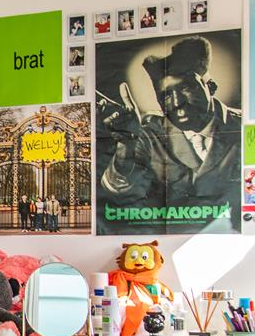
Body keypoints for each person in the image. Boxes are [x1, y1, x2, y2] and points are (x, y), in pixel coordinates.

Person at [97, 35, 244, 232]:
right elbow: (116, 188)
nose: (176, 103)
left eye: (185, 88)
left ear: (210, 87)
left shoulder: (243, 126)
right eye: (166, 96)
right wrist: (126, 144)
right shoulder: (150, 131)